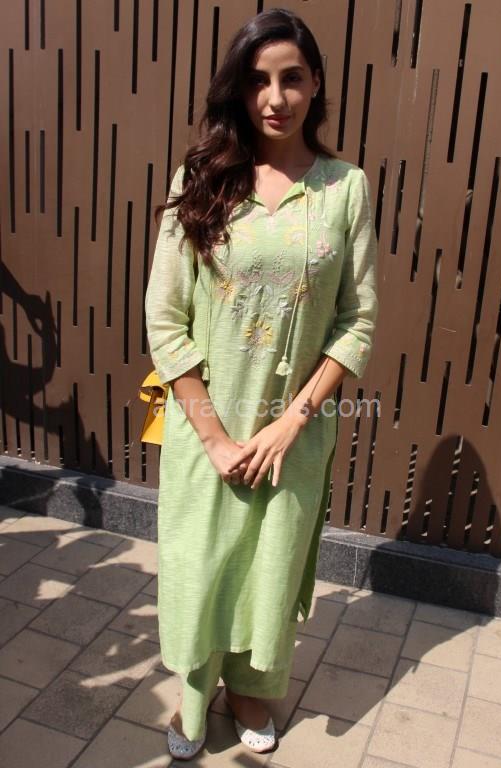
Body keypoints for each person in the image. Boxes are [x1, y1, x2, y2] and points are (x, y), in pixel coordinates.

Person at [144, 7, 379, 759]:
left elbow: (357, 321)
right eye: (256, 81)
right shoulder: (202, 180)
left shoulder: (344, 189)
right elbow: (164, 320)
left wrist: (290, 423)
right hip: (206, 428)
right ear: (238, 92)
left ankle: (250, 690)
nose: (275, 98)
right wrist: (215, 437)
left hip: (294, 435)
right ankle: (192, 697)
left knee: (269, 571)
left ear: (316, 85)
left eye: (291, 78)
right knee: (202, 568)